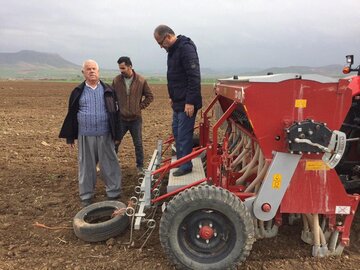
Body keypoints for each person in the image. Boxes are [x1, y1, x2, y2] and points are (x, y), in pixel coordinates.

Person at [59, 59, 122, 207]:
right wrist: (70, 137)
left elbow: (115, 114)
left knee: (110, 164)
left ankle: (114, 192)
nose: (92, 71)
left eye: (94, 68)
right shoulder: (77, 92)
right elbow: (72, 115)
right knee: (86, 166)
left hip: (105, 134)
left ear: (98, 72)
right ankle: (86, 195)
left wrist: (117, 135)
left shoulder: (108, 91)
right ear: (83, 73)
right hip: (85, 135)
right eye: (88, 69)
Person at [153, 25, 202, 177]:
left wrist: (190, 102)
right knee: (177, 132)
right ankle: (181, 162)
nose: (161, 47)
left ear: (168, 36)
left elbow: (194, 76)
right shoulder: (172, 51)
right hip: (178, 101)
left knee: (184, 134)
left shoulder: (185, 48)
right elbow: (173, 76)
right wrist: (171, 96)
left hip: (187, 103)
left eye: (161, 43)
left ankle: (186, 165)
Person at [112, 56, 154, 175]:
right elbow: (112, 97)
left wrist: (139, 107)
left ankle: (140, 167)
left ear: (130, 67)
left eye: (123, 68)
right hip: (121, 119)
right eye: (120, 68)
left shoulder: (141, 80)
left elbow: (150, 96)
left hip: (136, 119)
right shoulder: (116, 81)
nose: (121, 70)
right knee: (115, 142)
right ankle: (112, 165)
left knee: (138, 143)